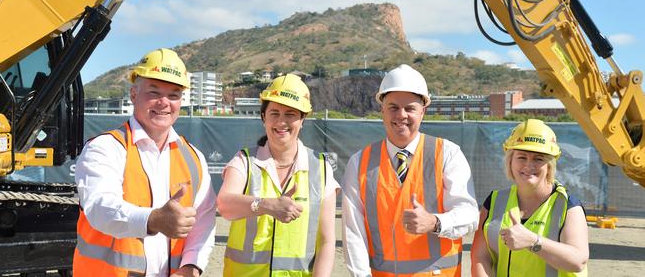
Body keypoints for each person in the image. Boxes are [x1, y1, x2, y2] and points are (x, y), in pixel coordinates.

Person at [73, 48, 216, 277]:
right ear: (133, 94)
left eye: (173, 94)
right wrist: (154, 220)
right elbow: (101, 209)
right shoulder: (105, 149)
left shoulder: (194, 158)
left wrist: (191, 266)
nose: (164, 103)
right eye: (154, 92)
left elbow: (204, 222)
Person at [342, 64, 478, 277]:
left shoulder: (448, 154)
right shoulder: (359, 163)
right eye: (393, 107)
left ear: (423, 111)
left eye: (410, 108)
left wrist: (435, 222)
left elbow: (469, 215)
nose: (401, 115)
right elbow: (353, 232)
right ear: (382, 110)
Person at [217, 73, 339, 277]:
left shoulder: (321, 167)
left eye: (290, 114)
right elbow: (224, 205)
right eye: (274, 113)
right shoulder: (245, 161)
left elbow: (327, 240)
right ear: (264, 117)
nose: (281, 122)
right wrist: (266, 205)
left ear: (302, 120)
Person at [471, 119, 589, 277]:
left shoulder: (568, 206)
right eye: (521, 157)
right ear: (510, 161)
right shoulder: (494, 202)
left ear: (549, 166)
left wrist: (533, 241)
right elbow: (481, 257)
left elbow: (578, 261)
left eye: (538, 159)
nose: (529, 165)